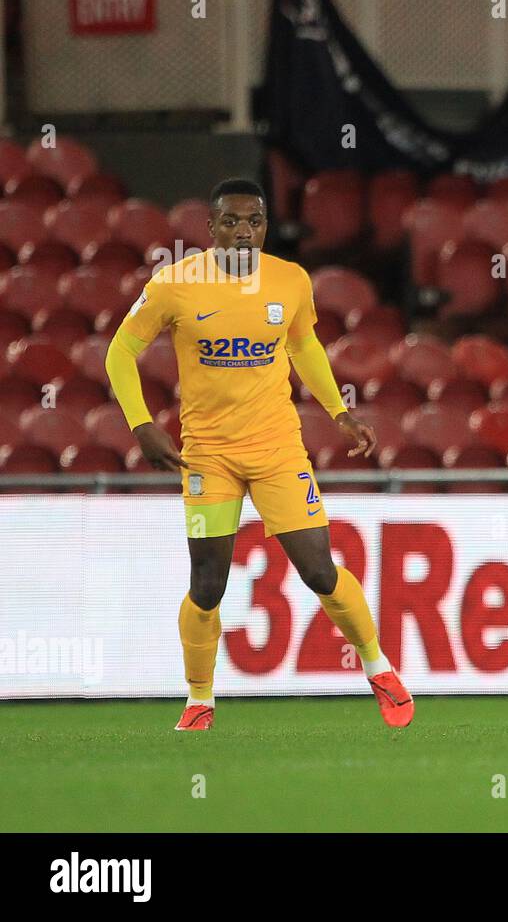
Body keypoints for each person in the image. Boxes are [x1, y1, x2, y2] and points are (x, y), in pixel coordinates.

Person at [105, 178, 413, 731]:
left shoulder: (290, 280)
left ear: (265, 227)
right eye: (231, 221)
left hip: (276, 447)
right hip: (208, 454)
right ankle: (200, 700)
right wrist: (142, 426)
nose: (243, 232)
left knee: (319, 569)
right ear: (211, 228)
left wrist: (339, 411)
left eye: (254, 221)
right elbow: (120, 351)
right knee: (209, 582)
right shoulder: (176, 284)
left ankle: (379, 667)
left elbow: (303, 345)